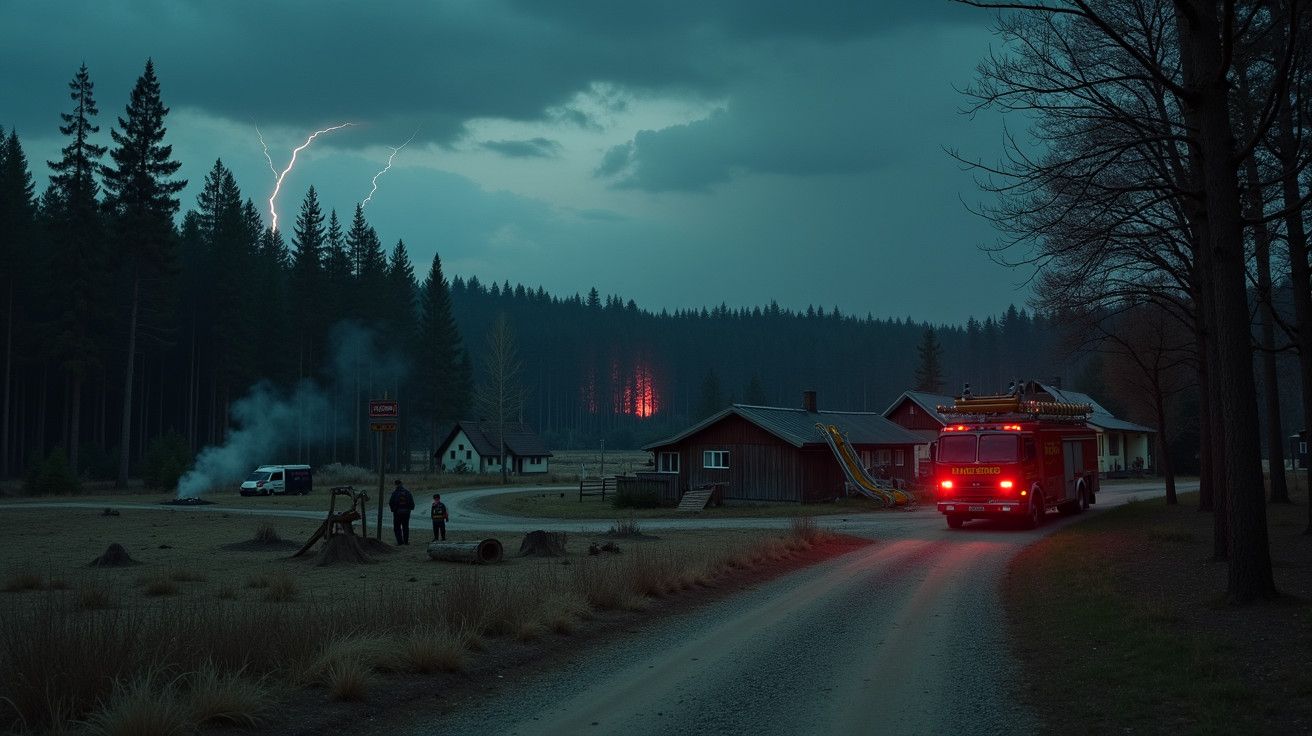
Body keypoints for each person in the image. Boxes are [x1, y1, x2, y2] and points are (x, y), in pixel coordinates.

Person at [388, 479, 415, 545]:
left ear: (396, 485)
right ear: (402, 484)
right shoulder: (407, 492)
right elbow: (412, 503)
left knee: (397, 527)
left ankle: (400, 542)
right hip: (406, 513)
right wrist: (409, 509)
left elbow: (391, 502)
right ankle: (406, 542)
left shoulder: (395, 493)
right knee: (405, 527)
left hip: (397, 513)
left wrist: (393, 510)